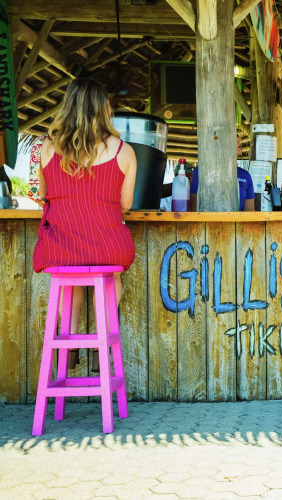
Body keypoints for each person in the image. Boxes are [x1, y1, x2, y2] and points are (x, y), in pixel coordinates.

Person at [32, 78, 137, 368]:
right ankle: (102, 347)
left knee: (69, 277)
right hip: (110, 247)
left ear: (68, 106)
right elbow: (126, 204)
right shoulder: (124, 151)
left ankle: (69, 346)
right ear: (104, 109)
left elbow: (42, 194)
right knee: (113, 275)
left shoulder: (46, 148)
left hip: (60, 247)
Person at [189, 135, 255, 211]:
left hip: (235, 219)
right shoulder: (201, 171)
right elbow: (194, 210)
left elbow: (249, 213)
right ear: (222, 143)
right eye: (234, 135)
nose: (240, 139)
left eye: (239, 137)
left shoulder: (245, 176)